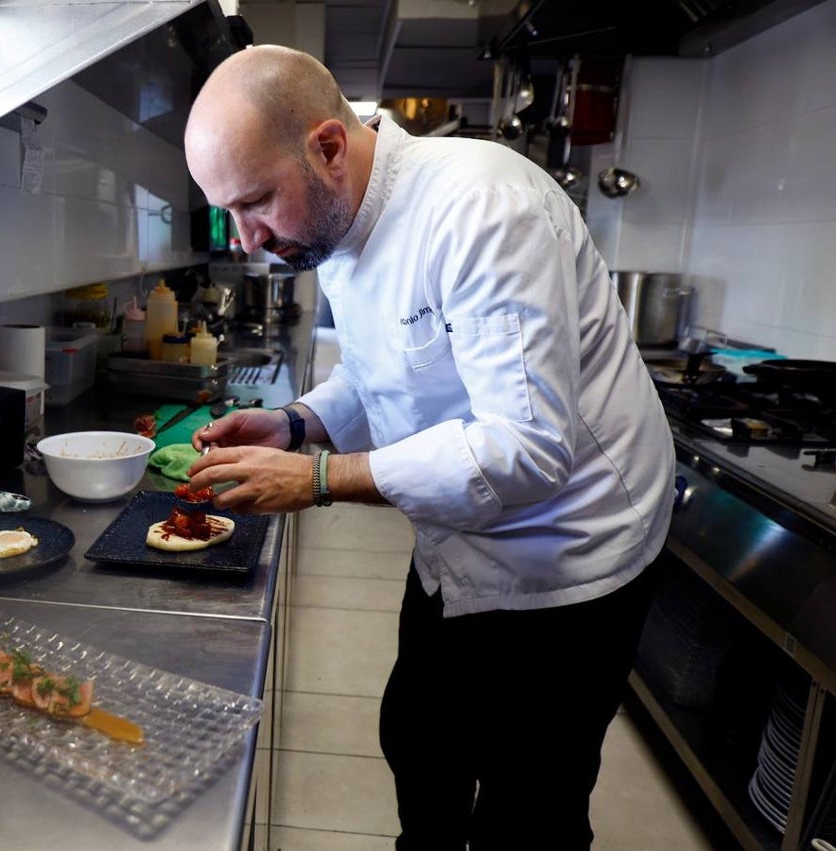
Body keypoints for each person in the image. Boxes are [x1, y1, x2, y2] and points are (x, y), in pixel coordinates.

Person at [183, 45, 676, 850]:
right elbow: (388, 371)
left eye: (257, 203)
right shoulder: (338, 217)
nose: (246, 240)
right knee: (420, 742)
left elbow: (525, 447)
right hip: (458, 540)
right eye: (230, 213)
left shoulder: (483, 210)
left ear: (329, 148)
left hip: (570, 556)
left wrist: (316, 477)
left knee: (531, 809)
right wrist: (299, 422)